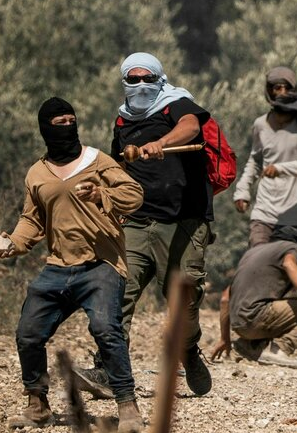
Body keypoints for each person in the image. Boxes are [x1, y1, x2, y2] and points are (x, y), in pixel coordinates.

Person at [0, 97, 144, 431]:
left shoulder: (96, 160)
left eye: (71, 120)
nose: (67, 127)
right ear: (45, 128)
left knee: (106, 329)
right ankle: (37, 405)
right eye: (59, 123)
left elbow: (134, 194)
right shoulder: (37, 173)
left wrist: (102, 195)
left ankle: (128, 406)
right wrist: (13, 243)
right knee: (28, 334)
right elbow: (32, 220)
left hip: (101, 264)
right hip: (58, 267)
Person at [76, 52, 214, 398]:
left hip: (182, 222)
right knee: (116, 294)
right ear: (124, 82)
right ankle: (108, 371)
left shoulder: (175, 105)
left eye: (147, 78)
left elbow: (191, 127)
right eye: (133, 79)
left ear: (159, 79)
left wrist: (161, 143)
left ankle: (187, 348)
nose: (140, 85)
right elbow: (118, 169)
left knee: (183, 302)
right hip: (135, 222)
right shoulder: (122, 121)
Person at [232, 67, 297, 324]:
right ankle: (253, 327)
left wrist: (282, 169)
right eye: (277, 87)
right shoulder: (260, 125)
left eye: (287, 87)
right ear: (269, 92)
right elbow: (255, 160)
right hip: (266, 213)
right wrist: (243, 190)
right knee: (257, 266)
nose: (282, 92)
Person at [214, 226, 297, 369]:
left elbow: (225, 298)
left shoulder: (252, 254)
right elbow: (289, 264)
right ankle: (280, 350)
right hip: (258, 317)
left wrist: (224, 339)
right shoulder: (293, 247)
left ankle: (247, 345)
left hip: (240, 326)